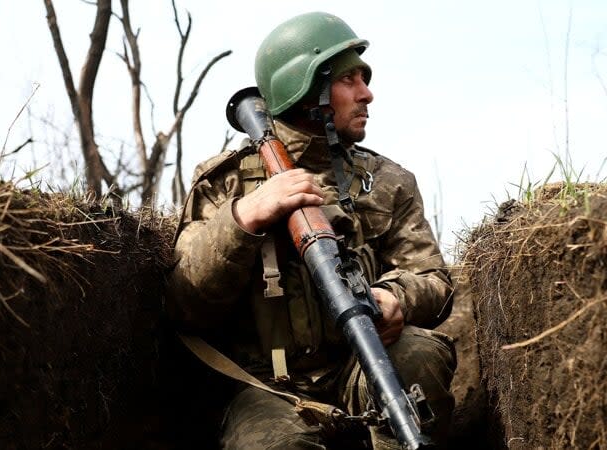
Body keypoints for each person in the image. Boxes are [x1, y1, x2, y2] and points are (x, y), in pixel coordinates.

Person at [166, 11, 456, 450]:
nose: (368, 94)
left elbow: (434, 280)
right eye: (350, 81)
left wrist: (397, 297)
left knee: (419, 353)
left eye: (365, 78)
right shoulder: (223, 182)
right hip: (265, 387)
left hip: (361, 366)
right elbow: (185, 304)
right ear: (307, 90)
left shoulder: (387, 180)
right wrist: (243, 220)